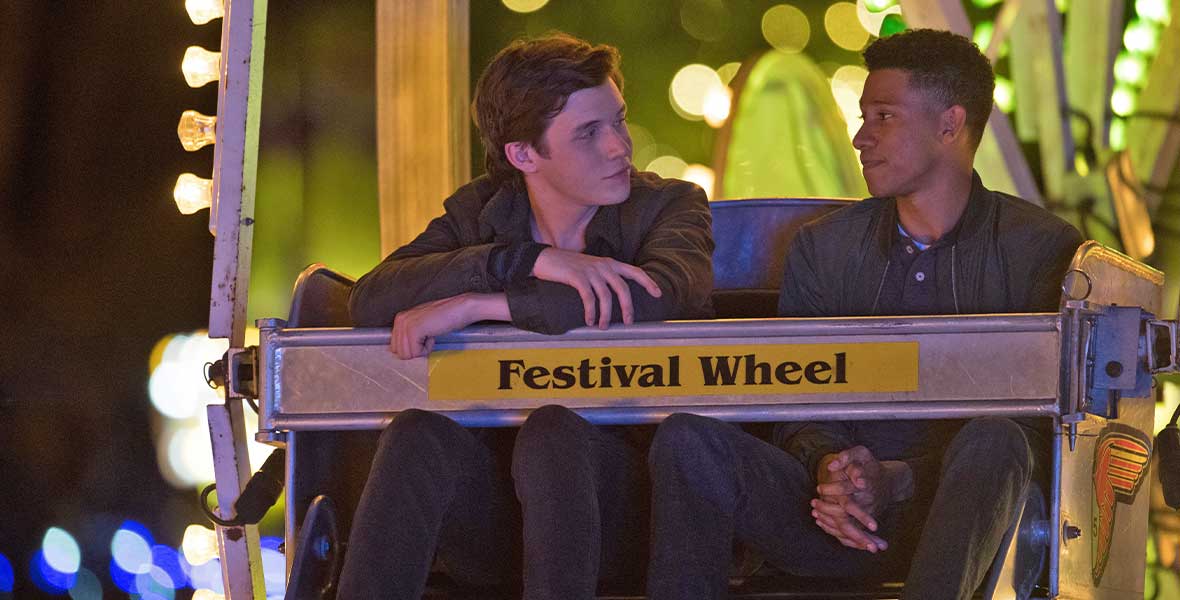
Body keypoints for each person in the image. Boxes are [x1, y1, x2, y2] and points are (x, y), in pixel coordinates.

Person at [646, 28, 1082, 600]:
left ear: (950, 124)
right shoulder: (823, 247)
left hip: (968, 526)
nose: (859, 137)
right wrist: (834, 470)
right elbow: (798, 394)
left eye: (884, 117)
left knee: (997, 437)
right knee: (688, 438)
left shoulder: (1040, 247)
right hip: (830, 515)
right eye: (863, 116)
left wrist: (898, 480)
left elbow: (1039, 439)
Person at [337, 33, 714, 599]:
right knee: (416, 431)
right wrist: (523, 260)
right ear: (522, 154)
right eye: (589, 133)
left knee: (553, 428)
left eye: (618, 121)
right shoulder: (483, 210)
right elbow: (371, 298)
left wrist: (480, 304)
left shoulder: (670, 204)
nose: (619, 147)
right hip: (501, 519)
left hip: (629, 514)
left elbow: (658, 294)